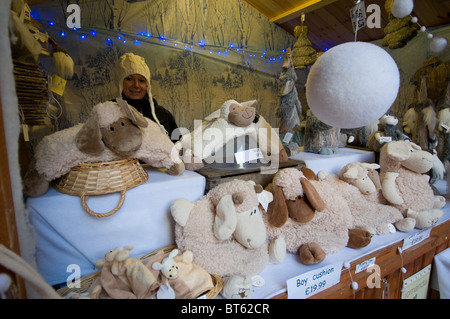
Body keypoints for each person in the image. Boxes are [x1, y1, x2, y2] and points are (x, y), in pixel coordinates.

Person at [115, 53, 179, 142]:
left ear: (147, 85)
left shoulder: (163, 115)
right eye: (129, 79)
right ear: (120, 82)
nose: (136, 85)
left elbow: (179, 148)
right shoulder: (109, 113)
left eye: (141, 81)